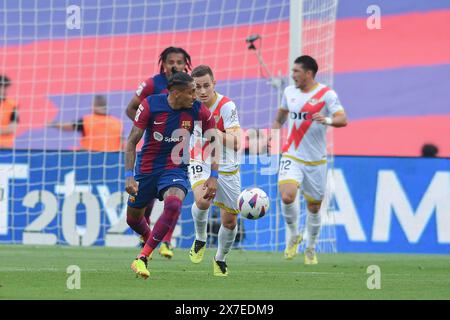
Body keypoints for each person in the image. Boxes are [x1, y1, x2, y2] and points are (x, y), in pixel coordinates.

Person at [125, 72, 218, 279]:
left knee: (174, 204)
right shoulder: (151, 105)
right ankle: (152, 238)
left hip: (175, 169)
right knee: (132, 219)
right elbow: (132, 141)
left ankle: (142, 257)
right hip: (146, 170)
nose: (196, 95)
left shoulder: (199, 111)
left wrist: (214, 175)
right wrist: (129, 175)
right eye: (191, 91)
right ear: (175, 93)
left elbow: (213, 140)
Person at [270, 55, 347, 265]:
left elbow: (343, 118)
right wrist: (272, 134)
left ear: (309, 73)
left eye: (296, 71)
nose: (292, 75)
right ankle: (294, 235)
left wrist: (328, 120)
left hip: (316, 161)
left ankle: (311, 248)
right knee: (287, 196)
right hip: (292, 154)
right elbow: (281, 116)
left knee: (314, 208)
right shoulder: (289, 92)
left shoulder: (326, 95)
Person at [125, 46, 192, 258]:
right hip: (152, 152)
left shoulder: (189, 87)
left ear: (185, 65)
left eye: (179, 62)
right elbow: (130, 109)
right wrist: (151, 125)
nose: (175, 65)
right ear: (163, 63)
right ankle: (150, 236)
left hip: (176, 153)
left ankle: (166, 241)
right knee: (146, 204)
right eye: (170, 61)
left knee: (174, 197)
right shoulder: (152, 84)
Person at [188, 65, 242, 276]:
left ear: (214, 84)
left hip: (228, 166)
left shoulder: (226, 106)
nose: (202, 91)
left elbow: (237, 142)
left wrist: (215, 134)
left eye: (206, 86)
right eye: (197, 87)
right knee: (202, 200)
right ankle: (200, 238)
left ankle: (220, 258)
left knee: (229, 220)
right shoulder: (188, 105)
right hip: (199, 159)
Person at [52, 95, 123, 152]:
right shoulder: (117, 123)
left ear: (93, 105)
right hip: (112, 160)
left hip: (88, 159)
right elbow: (123, 145)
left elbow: (68, 127)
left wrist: (52, 123)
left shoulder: (87, 121)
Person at [0, 75, 19, 149]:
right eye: (1, 86)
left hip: (5, 147)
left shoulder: (12, 105)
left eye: (5, 86)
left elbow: (12, 128)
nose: (2, 89)